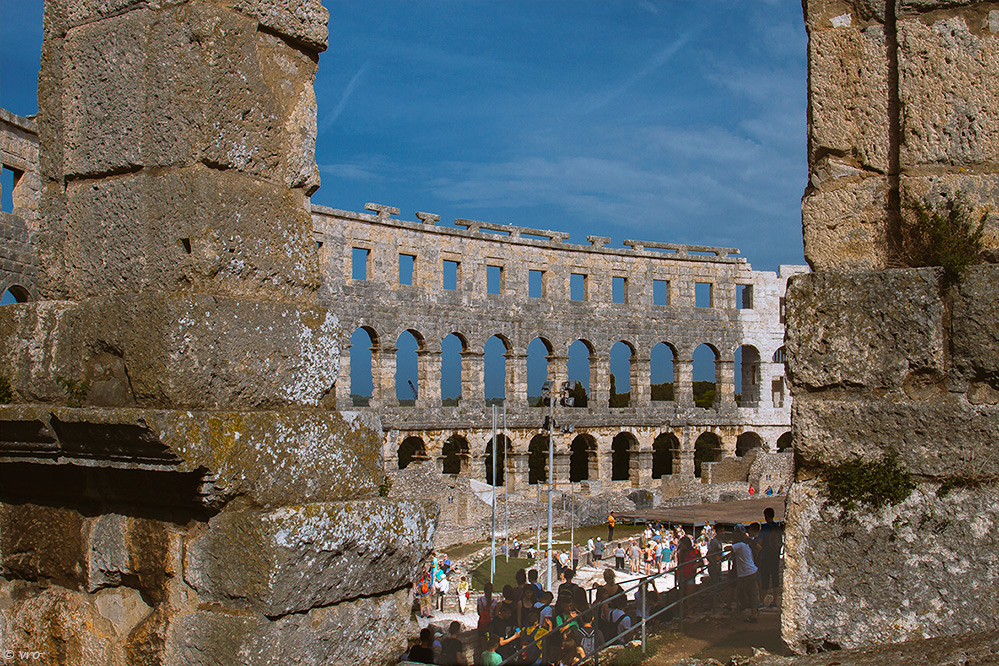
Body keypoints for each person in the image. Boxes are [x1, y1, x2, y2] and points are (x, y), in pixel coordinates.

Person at [731, 524, 761, 623]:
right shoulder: (748, 543)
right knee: (752, 593)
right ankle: (754, 612)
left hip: (746, 573)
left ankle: (752, 610)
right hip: (752, 570)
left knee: (741, 593)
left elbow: (728, 548)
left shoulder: (739, 545)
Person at [758, 507, 783, 609]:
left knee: (765, 580)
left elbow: (760, 543)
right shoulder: (777, 527)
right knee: (775, 579)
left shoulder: (764, 528)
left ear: (765, 516)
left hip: (766, 557)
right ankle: (774, 602)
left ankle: (761, 602)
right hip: (775, 556)